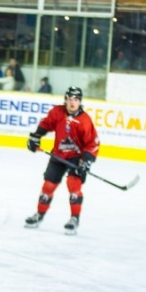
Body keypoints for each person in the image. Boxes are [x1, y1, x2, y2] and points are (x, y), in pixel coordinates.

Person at [24, 86, 100, 235]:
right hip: (58, 155)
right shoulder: (57, 112)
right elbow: (46, 124)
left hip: (76, 158)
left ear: (80, 102)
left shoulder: (85, 120)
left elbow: (93, 143)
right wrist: (35, 137)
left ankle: (74, 219)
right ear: (65, 100)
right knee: (48, 186)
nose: (72, 102)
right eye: (70, 99)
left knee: (73, 186)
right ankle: (39, 215)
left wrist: (86, 161)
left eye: (76, 100)